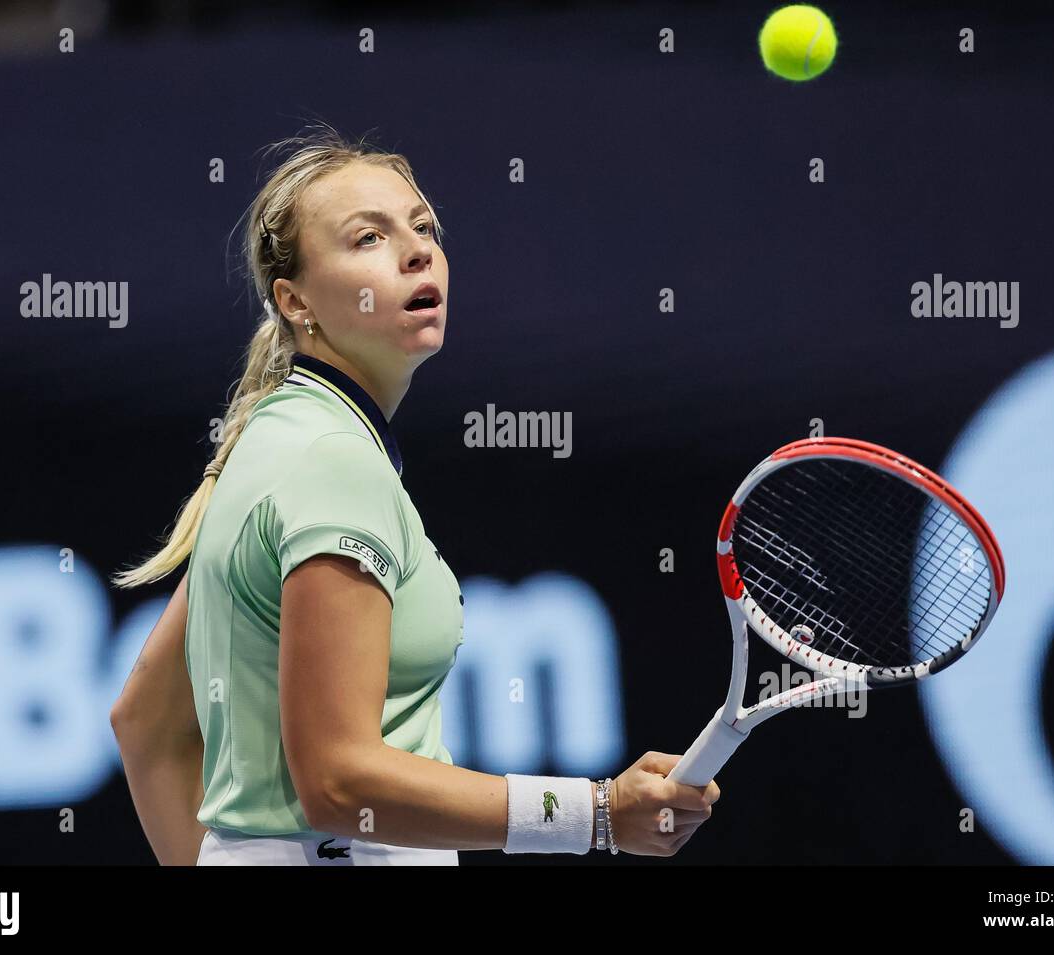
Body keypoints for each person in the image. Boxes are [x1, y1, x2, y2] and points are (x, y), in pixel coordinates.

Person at [108, 126, 719, 865]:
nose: (417, 250)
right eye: (368, 237)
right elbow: (338, 780)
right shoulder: (332, 461)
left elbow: (144, 718)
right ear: (295, 301)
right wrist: (592, 813)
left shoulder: (279, 439)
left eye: (423, 228)